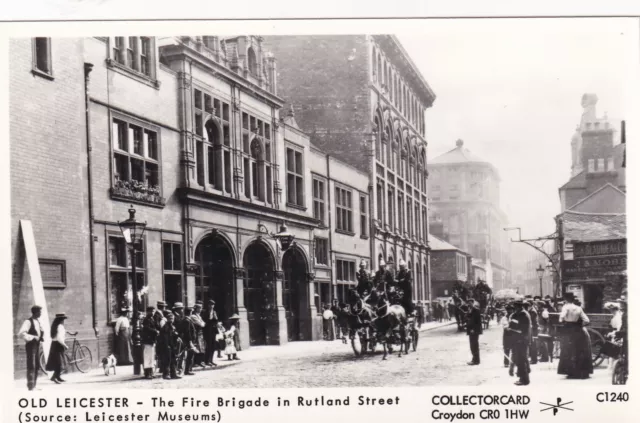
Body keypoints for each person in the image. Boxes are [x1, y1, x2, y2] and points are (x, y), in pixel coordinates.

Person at [557, 292, 593, 379]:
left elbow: (561, 319)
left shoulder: (565, 307)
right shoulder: (578, 308)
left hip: (568, 330)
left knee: (568, 349)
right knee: (579, 350)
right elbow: (587, 320)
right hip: (578, 330)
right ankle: (581, 371)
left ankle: (570, 371)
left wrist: (563, 320)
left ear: (566, 299)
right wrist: (579, 324)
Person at [18, 305, 45, 390]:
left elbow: (39, 333)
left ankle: (34, 385)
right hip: (31, 345)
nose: (40, 314)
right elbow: (21, 334)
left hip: (37, 345)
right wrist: (33, 337)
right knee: (31, 365)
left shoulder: (38, 321)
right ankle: (30, 386)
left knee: (37, 365)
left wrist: (40, 337)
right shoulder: (28, 322)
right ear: (35, 312)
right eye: (40, 312)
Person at [509, 300, 531, 386]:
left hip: (521, 340)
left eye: (515, 307)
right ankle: (523, 378)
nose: (514, 308)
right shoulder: (520, 314)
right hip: (519, 339)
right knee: (521, 359)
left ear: (518, 306)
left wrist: (511, 329)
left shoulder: (523, 315)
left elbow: (522, 329)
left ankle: (524, 379)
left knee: (521, 360)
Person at [157, 311, 181, 380]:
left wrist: (177, 337)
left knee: (173, 360)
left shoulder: (172, 327)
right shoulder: (165, 327)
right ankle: (166, 374)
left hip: (172, 346)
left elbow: (173, 336)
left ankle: (173, 374)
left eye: (172, 318)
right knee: (167, 360)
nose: (172, 320)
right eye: (170, 318)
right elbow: (165, 338)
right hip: (167, 346)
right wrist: (167, 346)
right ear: (167, 319)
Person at [46, 313, 68, 384]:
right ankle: (54, 377)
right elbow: (59, 338)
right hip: (58, 345)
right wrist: (65, 345)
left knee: (57, 362)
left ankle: (58, 377)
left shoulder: (55, 326)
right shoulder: (60, 326)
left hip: (54, 345)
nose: (63, 321)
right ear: (60, 320)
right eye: (63, 319)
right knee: (59, 363)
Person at [141, 306, 159, 379]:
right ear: (147, 312)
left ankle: (151, 372)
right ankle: (147, 373)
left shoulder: (152, 319)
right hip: (147, 340)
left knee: (151, 357)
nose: (152, 313)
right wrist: (155, 331)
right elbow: (147, 328)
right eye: (151, 311)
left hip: (152, 340)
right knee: (147, 357)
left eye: (153, 311)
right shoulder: (146, 320)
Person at [191, 302, 209, 368]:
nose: (201, 309)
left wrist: (202, 323)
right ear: (196, 309)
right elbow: (201, 324)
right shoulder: (193, 316)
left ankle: (200, 361)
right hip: (196, 333)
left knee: (201, 347)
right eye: (199, 308)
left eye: (201, 308)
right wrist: (202, 323)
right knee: (197, 347)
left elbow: (204, 323)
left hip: (200, 333)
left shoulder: (198, 316)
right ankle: (196, 362)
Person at [181, 306, 198, 375]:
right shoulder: (186, 320)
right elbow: (187, 332)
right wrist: (190, 341)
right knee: (189, 355)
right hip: (188, 340)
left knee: (190, 355)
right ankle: (187, 370)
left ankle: (188, 369)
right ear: (190, 312)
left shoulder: (187, 320)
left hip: (189, 340)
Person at [201, 299, 219, 365]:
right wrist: (210, 318)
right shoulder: (205, 312)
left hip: (213, 331)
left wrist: (216, 318)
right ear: (208, 305)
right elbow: (205, 321)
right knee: (208, 346)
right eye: (210, 304)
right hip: (207, 331)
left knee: (213, 346)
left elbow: (216, 321)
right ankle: (207, 360)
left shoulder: (214, 312)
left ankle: (211, 360)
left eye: (213, 305)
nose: (212, 306)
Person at [466, 299, 483, 365]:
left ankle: (476, 360)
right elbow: (468, 318)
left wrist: (473, 329)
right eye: (468, 303)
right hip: (471, 331)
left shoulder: (476, 310)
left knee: (474, 345)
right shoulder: (470, 310)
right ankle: (475, 359)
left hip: (474, 331)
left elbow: (477, 322)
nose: (469, 304)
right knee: (472, 346)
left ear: (473, 303)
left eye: (470, 303)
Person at [499, 305, 513, 369]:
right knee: (506, 348)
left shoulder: (514, 316)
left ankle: (513, 362)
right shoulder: (504, 318)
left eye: (511, 310)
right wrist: (507, 327)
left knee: (514, 349)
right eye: (508, 310)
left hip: (513, 334)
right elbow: (504, 326)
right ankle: (506, 362)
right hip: (507, 334)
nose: (510, 311)